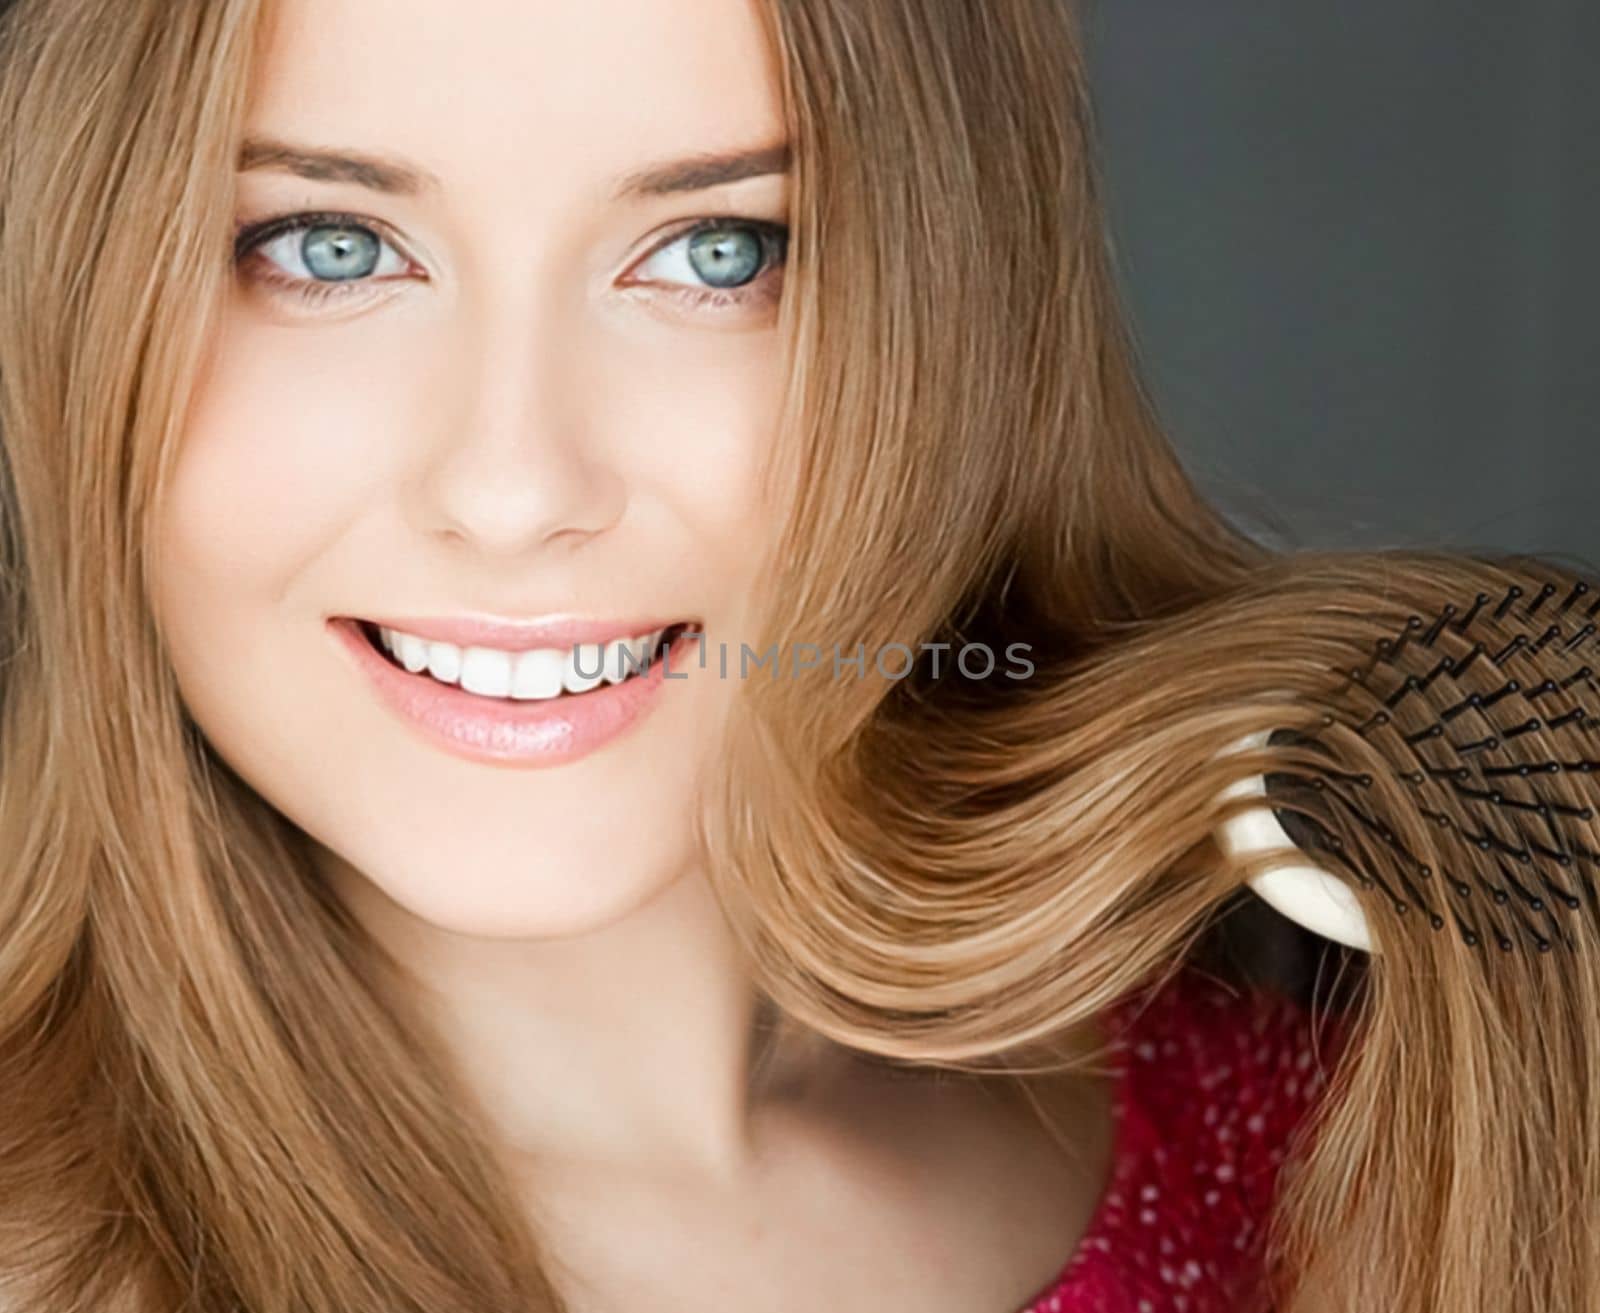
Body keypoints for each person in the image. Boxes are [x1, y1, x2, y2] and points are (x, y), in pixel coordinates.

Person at [0, 2, 1588, 1311]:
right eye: (329, 247)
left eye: (716, 254)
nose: (512, 486)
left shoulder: (1352, 1125)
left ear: (967, 326)